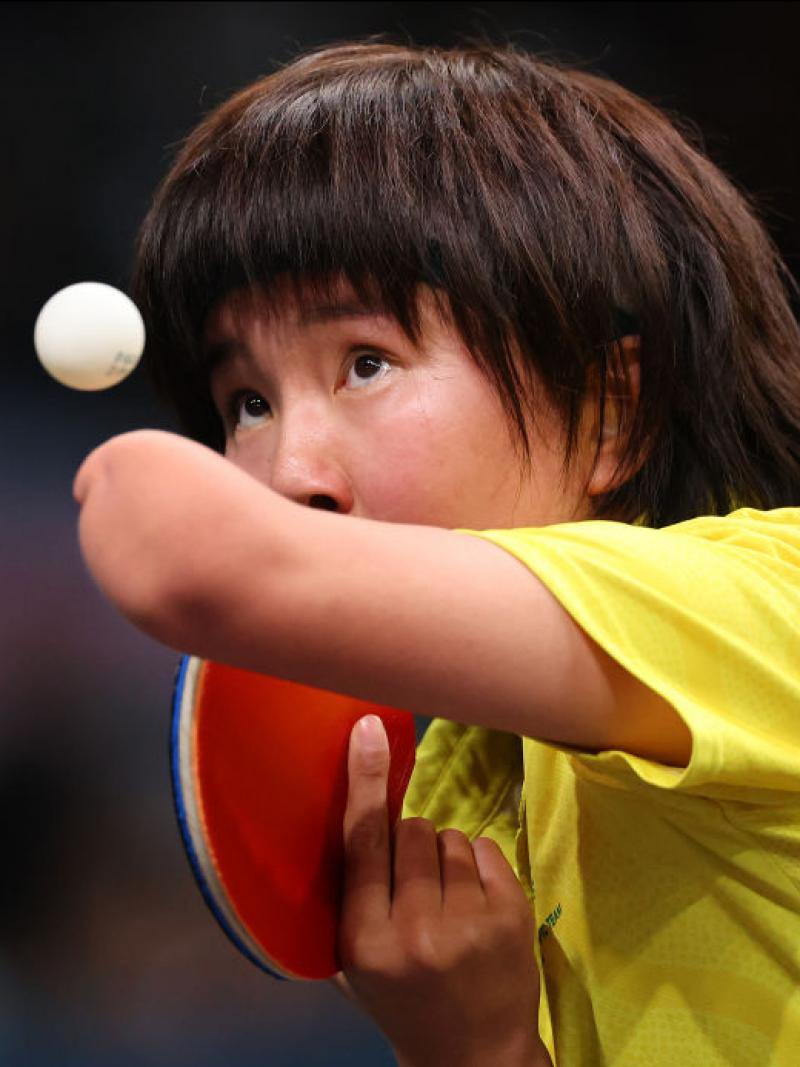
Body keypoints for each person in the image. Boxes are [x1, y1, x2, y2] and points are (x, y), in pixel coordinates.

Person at [74, 42, 800, 1066]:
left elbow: (179, 550)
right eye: (247, 401)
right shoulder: (451, 787)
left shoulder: (768, 602)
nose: (289, 471)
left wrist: (124, 478)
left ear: (610, 415)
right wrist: (480, 1047)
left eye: (364, 363)